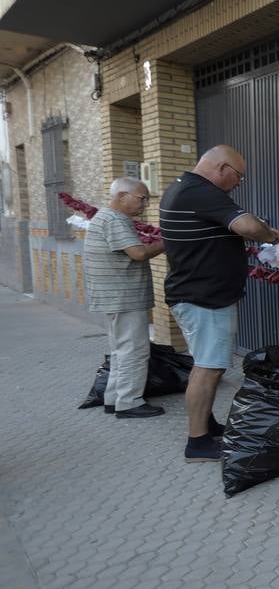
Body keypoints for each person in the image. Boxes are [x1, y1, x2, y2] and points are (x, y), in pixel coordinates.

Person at [159, 145, 279, 463]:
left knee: (207, 365)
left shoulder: (182, 188)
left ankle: (205, 423)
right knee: (209, 368)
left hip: (196, 295)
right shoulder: (201, 192)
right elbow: (246, 226)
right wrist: (269, 234)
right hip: (205, 300)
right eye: (239, 176)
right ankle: (197, 441)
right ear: (221, 168)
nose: (240, 183)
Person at [82, 178, 167, 418]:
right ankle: (130, 402)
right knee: (134, 350)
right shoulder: (114, 219)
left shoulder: (107, 218)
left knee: (121, 350)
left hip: (115, 296)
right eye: (142, 198)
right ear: (121, 195)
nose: (145, 204)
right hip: (123, 297)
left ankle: (114, 398)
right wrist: (168, 241)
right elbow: (138, 253)